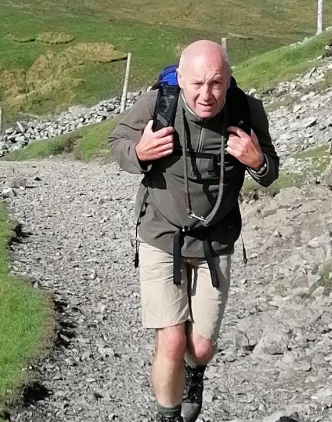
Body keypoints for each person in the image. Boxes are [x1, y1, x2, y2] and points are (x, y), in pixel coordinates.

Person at [108, 40, 279, 422]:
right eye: (197, 83)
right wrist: (139, 152)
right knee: (171, 340)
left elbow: (270, 172)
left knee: (199, 348)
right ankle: (166, 417)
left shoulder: (247, 111)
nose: (207, 94)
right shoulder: (157, 105)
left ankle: (194, 373)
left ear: (228, 79)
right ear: (181, 79)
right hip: (160, 236)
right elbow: (117, 143)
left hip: (216, 243)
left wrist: (258, 162)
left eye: (217, 83)